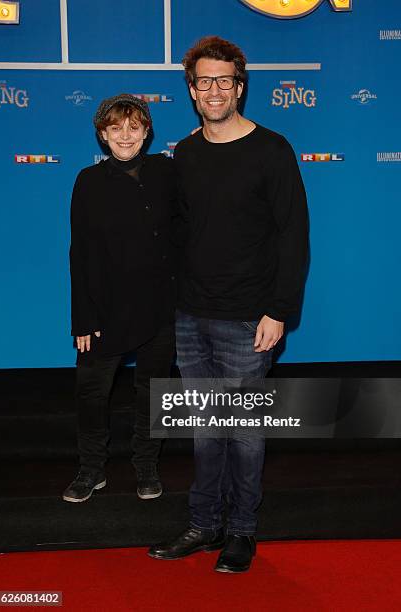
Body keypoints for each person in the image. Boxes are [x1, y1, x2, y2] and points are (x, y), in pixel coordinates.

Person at [148, 36, 309, 572]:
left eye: (224, 81)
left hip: (249, 319)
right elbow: (178, 233)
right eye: (203, 82)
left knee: (243, 435)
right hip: (191, 316)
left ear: (240, 87)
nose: (214, 90)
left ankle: (242, 531)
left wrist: (279, 309)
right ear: (192, 91)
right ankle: (203, 524)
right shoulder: (187, 152)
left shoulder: (272, 149)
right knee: (205, 431)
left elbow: (293, 236)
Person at [63, 94, 177, 503]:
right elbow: (80, 253)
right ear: (102, 135)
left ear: (147, 132)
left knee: (153, 392)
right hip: (104, 312)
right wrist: (82, 317)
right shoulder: (88, 182)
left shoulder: (167, 171)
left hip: (160, 309)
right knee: (92, 396)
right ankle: (91, 470)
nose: (125, 136)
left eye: (133, 127)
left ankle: (146, 467)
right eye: (116, 128)